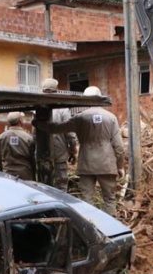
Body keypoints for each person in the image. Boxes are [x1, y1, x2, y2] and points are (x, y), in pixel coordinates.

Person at [39, 86, 125, 214]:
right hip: (106, 164)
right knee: (109, 199)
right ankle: (110, 229)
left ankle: (91, 227)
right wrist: (120, 166)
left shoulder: (80, 118)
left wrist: (39, 124)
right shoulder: (111, 117)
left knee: (86, 200)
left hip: (86, 163)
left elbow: (56, 128)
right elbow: (119, 147)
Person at [41, 78, 77, 189]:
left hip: (42, 152)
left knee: (44, 181)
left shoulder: (38, 107)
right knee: (61, 183)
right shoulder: (62, 108)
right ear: (56, 90)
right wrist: (73, 150)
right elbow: (70, 132)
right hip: (59, 153)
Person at [0, 112, 36, 180]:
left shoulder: (1, 138)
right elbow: (33, 160)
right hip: (25, 175)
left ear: (8, 123)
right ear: (20, 121)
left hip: (7, 175)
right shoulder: (28, 138)